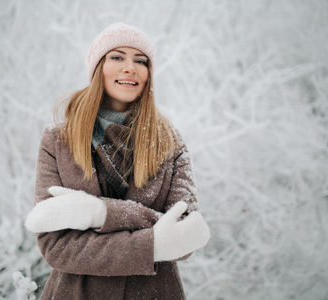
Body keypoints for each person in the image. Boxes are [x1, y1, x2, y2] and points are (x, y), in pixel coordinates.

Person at [25, 22, 210, 300]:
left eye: (140, 61)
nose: (130, 67)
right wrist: (155, 243)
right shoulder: (57, 140)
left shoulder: (171, 143)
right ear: (98, 67)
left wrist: (97, 213)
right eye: (117, 57)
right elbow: (56, 245)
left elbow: (188, 235)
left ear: (149, 74)